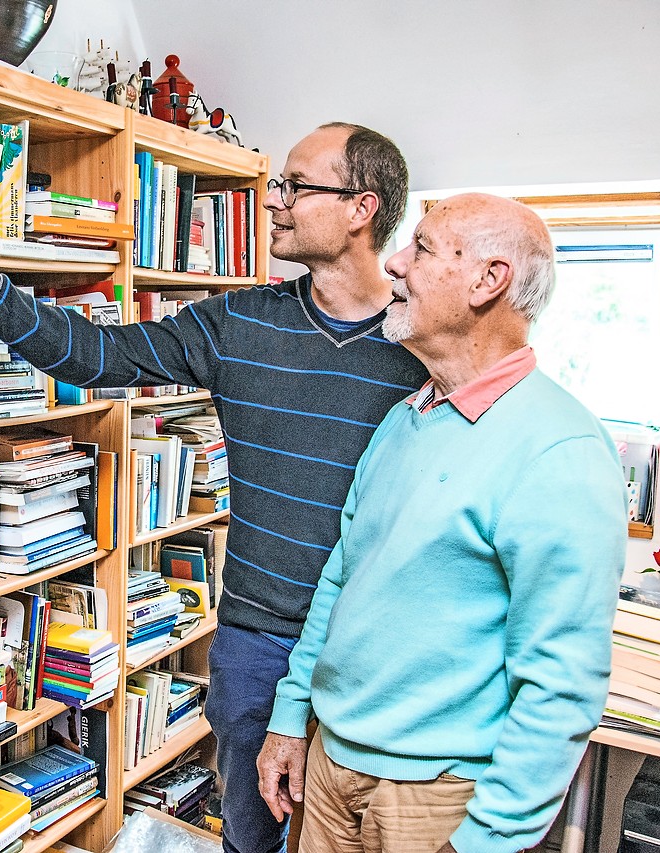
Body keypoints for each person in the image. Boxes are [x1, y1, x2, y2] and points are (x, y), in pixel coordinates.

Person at [0, 122, 430, 853]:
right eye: (277, 183)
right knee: (254, 836)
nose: (273, 200)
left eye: (295, 186)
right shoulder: (239, 323)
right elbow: (89, 353)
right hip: (258, 644)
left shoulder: (423, 345)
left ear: (360, 208)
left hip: (373, 650)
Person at [256, 193, 628, 853]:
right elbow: (342, 579)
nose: (395, 263)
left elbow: (562, 683)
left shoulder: (560, 448)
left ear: (489, 280)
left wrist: (488, 838)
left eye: (422, 247)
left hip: (438, 801)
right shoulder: (405, 419)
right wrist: (290, 718)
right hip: (329, 767)